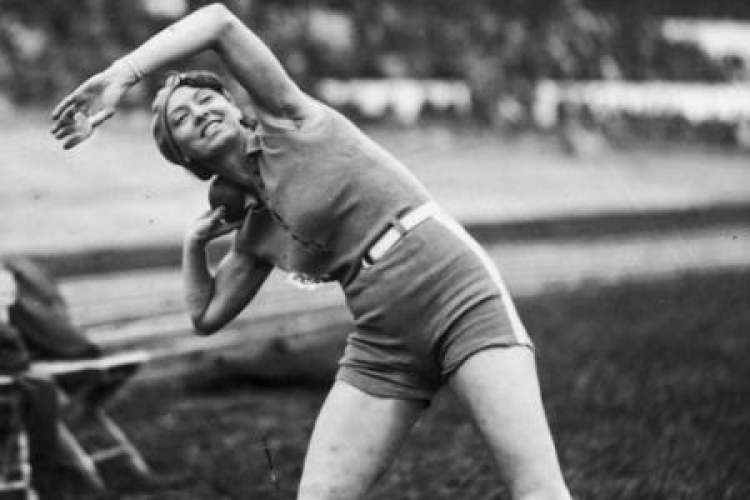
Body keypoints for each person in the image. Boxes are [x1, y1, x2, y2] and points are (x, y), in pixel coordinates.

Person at [50, 4, 572, 499]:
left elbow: (219, 22)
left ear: (234, 107)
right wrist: (194, 244)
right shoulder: (253, 231)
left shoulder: (290, 122)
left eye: (207, 98)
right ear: (187, 158)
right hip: (383, 338)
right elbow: (206, 316)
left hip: (455, 293)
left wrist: (122, 74)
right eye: (182, 118)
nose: (200, 110)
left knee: (537, 489)